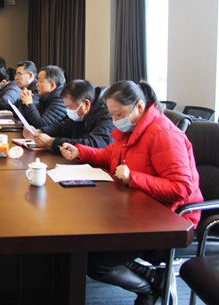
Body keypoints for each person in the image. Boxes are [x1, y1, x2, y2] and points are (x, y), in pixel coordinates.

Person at [60, 80, 203, 305]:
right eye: (112, 115)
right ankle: (154, 279)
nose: (115, 120)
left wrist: (133, 177)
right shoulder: (132, 129)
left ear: (139, 107)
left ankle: (151, 287)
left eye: (119, 114)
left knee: (96, 263)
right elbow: (109, 156)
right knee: (89, 246)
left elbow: (182, 188)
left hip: (168, 219)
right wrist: (80, 152)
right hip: (138, 209)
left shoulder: (163, 134)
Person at [34, 79, 114, 152]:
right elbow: (64, 127)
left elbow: (93, 144)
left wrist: (51, 142)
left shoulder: (108, 115)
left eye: (69, 107)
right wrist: (41, 131)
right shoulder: (82, 114)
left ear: (86, 104)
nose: (67, 110)